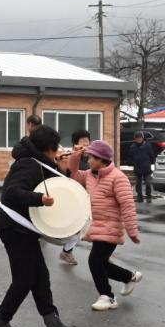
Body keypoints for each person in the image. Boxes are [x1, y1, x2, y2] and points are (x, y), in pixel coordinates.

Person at [0, 125, 77, 327]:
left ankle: (53, 324)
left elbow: (53, 185)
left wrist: (63, 169)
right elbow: (11, 193)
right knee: (24, 279)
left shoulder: (37, 162)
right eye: (55, 148)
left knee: (40, 276)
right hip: (14, 228)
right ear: (49, 148)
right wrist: (39, 199)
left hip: (22, 229)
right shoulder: (28, 164)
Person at [67, 140, 142, 310]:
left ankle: (107, 296)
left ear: (101, 159)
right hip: (96, 227)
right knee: (101, 264)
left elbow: (127, 205)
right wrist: (75, 155)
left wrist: (132, 231)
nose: (88, 161)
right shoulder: (90, 175)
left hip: (111, 227)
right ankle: (129, 277)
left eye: (91, 157)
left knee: (95, 261)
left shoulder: (118, 177)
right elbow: (73, 175)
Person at [58, 129, 92, 266]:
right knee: (80, 227)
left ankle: (67, 251)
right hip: (74, 197)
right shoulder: (68, 156)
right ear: (75, 144)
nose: (86, 145)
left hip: (88, 197)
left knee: (89, 226)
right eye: (82, 142)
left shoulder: (91, 157)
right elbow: (67, 172)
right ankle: (67, 250)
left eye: (87, 142)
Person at [131, 131, 156, 203]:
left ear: (143, 138)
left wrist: (151, 163)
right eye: (137, 138)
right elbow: (131, 157)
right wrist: (133, 164)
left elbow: (152, 156)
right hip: (137, 167)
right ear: (135, 139)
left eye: (140, 138)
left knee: (147, 182)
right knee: (138, 183)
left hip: (146, 167)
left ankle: (148, 195)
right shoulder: (132, 147)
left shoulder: (147, 146)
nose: (138, 139)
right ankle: (139, 197)